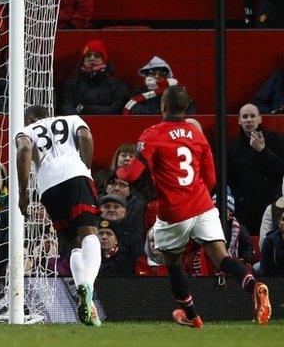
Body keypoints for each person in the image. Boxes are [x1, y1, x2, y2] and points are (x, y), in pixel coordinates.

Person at [116, 86, 271, 328]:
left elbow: (132, 174)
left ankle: (190, 314)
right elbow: (211, 179)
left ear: (163, 106)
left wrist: (119, 171)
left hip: (174, 210)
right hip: (203, 203)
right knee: (222, 257)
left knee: (172, 262)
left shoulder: (153, 134)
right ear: (186, 107)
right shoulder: (197, 134)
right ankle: (254, 285)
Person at [16, 105, 101, 327]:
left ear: (29, 118)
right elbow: (86, 136)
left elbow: (24, 150)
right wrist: (86, 168)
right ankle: (88, 285)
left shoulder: (25, 132)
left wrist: (22, 193)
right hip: (75, 174)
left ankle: (88, 303)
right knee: (90, 234)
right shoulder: (72, 119)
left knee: (74, 244)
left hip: (47, 185)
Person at [227, 103, 284, 234]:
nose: (249, 120)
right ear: (239, 121)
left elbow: (281, 169)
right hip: (244, 209)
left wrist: (263, 151)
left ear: (260, 118)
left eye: (253, 116)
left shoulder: (276, 140)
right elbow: (228, 180)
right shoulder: (232, 149)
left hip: (272, 205)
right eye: (245, 116)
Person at [59, 40, 128, 115]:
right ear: (83, 60)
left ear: (103, 59)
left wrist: (85, 109)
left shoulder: (117, 84)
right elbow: (67, 108)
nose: (92, 58)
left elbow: (117, 109)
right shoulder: (71, 83)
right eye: (88, 56)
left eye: (97, 56)